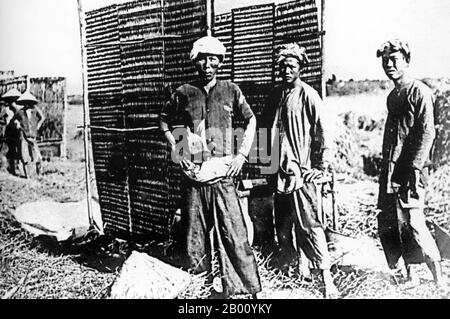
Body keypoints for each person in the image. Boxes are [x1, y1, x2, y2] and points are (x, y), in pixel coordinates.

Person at [159, 35, 261, 298]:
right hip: (194, 177)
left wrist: (241, 156)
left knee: (234, 233)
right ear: (196, 62)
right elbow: (164, 122)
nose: (207, 64)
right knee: (194, 238)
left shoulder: (231, 90)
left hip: (223, 175)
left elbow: (251, 121)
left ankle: (243, 292)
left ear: (220, 62)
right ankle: (199, 291)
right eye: (203, 59)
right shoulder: (183, 93)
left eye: (213, 59)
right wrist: (175, 148)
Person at [260, 43, 338, 298]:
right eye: (282, 66)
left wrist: (320, 167)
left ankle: (326, 280)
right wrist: (266, 165)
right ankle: (294, 272)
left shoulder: (308, 95)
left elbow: (324, 133)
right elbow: (264, 131)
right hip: (279, 174)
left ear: (300, 68)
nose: (285, 70)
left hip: (301, 174)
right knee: (283, 225)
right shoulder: (275, 95)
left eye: (291, 66)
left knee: (310, 225)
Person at [376, 39, 444, 287]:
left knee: (415, 222)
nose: (389, 64)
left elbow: (427, 133)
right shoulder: (393, 96)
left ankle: (440, 281)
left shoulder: (419, 91)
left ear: (407, 61)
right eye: (385, 60)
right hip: (392, 170)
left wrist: (413, 168)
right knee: (397, 222)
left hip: (411, 171)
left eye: (394, 59)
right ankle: (411, 275)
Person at [13, 90, 44, 178]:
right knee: (24, 155)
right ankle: (28, 176)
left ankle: (39, 174)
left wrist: (38, 126)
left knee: (38, 156)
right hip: (23, 135)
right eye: (25, 102)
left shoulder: (35, 110)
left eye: (28, 102)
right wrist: (17, 124)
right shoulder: (20, 111)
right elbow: (15, 120)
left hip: (33, 135)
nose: (27, 104)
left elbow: (42, 117)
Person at [1, 88, 22, 175]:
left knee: (15, 150)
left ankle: (15, 168)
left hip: (16, 131)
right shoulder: (6, 108)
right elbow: (2, 118)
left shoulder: (18, 108)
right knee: (8, 150)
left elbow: (20, 118)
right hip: (8, 130)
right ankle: (9, 168)